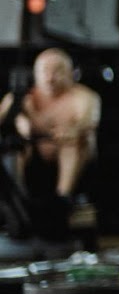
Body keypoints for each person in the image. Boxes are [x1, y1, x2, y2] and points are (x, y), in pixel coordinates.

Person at [0, 48, 101, 243]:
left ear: (70, 73)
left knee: (77, 142)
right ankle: (17, 203)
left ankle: (62, 199)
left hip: (71, 159)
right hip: (32, 160)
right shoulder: (22, 98)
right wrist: (19, 119)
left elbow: (89, 121)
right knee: (15, 149)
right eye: (45, 70)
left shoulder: (82, 97)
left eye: (57, 70)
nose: (50, 77)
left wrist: (72, 130)